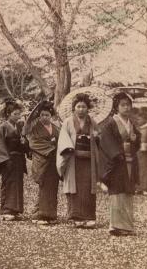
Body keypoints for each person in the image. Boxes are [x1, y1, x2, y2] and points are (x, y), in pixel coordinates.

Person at [99, 92, 140, 236]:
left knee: (127, 192)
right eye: (123, 105)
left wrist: (135, 140)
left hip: (129, 161)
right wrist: (117, 154)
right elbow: (106, 140)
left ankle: (127, 226)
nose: (126, 107)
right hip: (116, 162)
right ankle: (116, 226)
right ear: (117, 107)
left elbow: (137, 142)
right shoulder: (110, 123)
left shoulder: (131, 123)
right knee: (117, 193)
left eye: (128, 105)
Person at [57, 93, 100, 229]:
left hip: (88, 160)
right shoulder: (68, 122)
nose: (81, 109)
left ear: (88, 108)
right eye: (78, 106)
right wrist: (69, 148)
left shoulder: (92, 122)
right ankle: (76, 217)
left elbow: (99, 138)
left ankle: (89, 216)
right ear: (74, 108)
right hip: (73, 159)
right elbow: (63, 138)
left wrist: (96, 137)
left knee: (88, 189)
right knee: (74, 188)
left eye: (84, 107)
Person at [0, 101, 28, 221]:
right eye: (15, 114)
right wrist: (5, 160)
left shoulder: (18, 127)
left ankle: (15, 210)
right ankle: (6, 209)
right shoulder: (3, 127)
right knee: (8, 183)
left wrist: (23, 143)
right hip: (8, 158)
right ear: (8, 114)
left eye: (18, 114)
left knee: (17, 184)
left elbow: (24, 147)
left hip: (18, 159)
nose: (18, 116)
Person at [27, 101, 60, 225]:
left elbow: (61, 140)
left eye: (47, 115)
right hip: (42, 159)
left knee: (52, 186)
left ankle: (51, 214)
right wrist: (51, 147)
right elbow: (33, 143)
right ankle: (42, 214)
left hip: (54, 160)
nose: (45, 117)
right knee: (44, 186)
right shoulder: (35, 128)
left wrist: (56, 146)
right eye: (42, 115)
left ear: (50, 116)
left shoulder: (56, 127)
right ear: (39, 116)